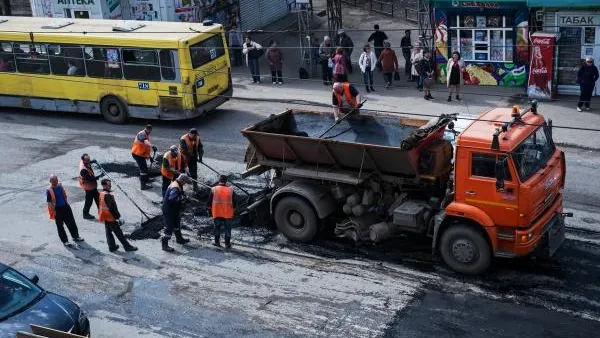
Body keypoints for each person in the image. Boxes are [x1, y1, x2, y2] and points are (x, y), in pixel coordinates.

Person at [98, 179, 138, 252]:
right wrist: (118, 218)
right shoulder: (108, 195)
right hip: (111, 218)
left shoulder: (102, 193)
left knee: (108, 232)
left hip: (105, 216)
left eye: (110, 185)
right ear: (104, 185)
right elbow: (113, 209)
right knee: (119, 233)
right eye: (108, 185)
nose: (110, 186)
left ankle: (112, 247)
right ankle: (127, 247)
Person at [46, 175, 84, 247]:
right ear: (50, 181)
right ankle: (65, 241)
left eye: (56, 180)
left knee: (71, 222)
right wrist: (53, 211)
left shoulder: (60, 186)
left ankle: (75, 236)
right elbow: (49, 202)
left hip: (65, 206)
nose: (55, 182)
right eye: (54, 181)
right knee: (60, 226)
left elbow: (64, 195)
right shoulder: (49, 190)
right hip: (57, 210)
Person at [161, 174, 192, 252]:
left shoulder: (177, 183)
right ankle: (164, 245)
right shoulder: (175, 187)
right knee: (169, 227)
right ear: (182, 180)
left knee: (176, 225)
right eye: (185, 182)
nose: (185, 183)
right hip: (169, 210)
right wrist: (183, 198)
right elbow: (172, 198)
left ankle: (179, 239)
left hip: (174, 209)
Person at [207, 175, 237, 249]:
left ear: (219, 180)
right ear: (226, 181)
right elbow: (234, 202)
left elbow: (209, 202)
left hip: (217, 213)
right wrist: (234, 211)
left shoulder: (214, 189)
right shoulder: (230, 190)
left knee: (217, 228)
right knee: (228, 229)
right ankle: (227, 244)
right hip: (228, 213)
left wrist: (209, 211)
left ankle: (217, 242)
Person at [78, 153, 104, 220]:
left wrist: (93, 161)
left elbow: (89, 161)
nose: (89, 161)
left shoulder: (84, 161)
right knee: (89, 201)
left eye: (89, 159)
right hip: (89, 187)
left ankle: (101, 212)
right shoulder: (83, 170)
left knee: (98, 198)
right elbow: (89, 179)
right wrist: (99, 176)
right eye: (87, 160)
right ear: (83, 160)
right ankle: (85, 214)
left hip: (92, 186)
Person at [131, 124, 157, 190]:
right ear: (147, 129)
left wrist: (150, 157)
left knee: (145, 167)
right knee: (143, 170)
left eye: (150, 130)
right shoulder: (142, 134)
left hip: (140, 154)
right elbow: (144, 141)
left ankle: (146, 179)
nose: (150, 132)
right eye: (149, 130)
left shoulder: (146, 135)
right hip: (137, 154)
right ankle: (143, 186)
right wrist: (152, 146)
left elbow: (145, 148)